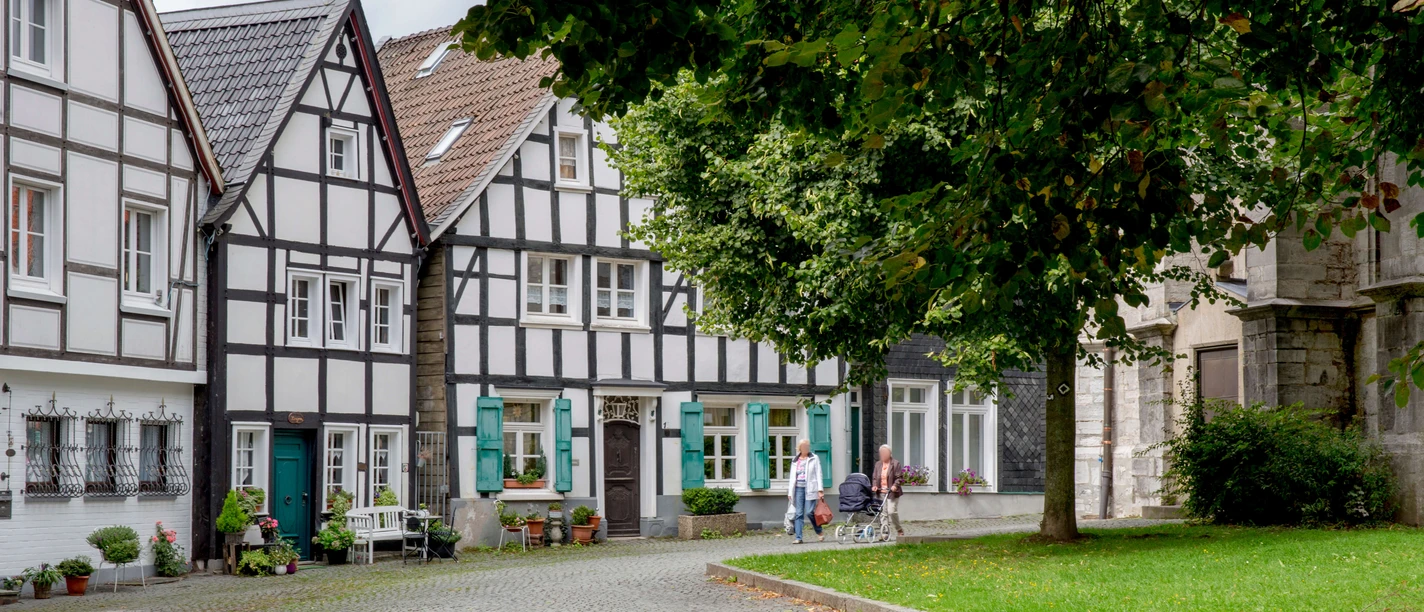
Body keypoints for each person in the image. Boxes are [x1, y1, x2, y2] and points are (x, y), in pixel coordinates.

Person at [787, 438, 824, 544]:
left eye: (807, 446)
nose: (806, 448)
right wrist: (790, 492)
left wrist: (820, 490)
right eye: (803, 446)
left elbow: (818, 474)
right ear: (799, 448)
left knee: (809, 512)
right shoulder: (795, 460)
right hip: (798, 488)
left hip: (810, 488)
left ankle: (819, 530)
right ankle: (798, 537)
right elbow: (791, 477)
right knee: (798, 513)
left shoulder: (814, 458)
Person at [871, 444, 904, 537]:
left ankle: (899, 528)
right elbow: (874, 477)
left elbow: (899, 478)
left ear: (890, 453)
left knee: (891, 511)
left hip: (892, 493)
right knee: (883, 513)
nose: (883, 455)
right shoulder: (878, 464)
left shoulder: (895, 463)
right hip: (881, 492)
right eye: (881, 453)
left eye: (885, 452)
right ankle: (884, 533)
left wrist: (895, 486)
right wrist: (874, 486)